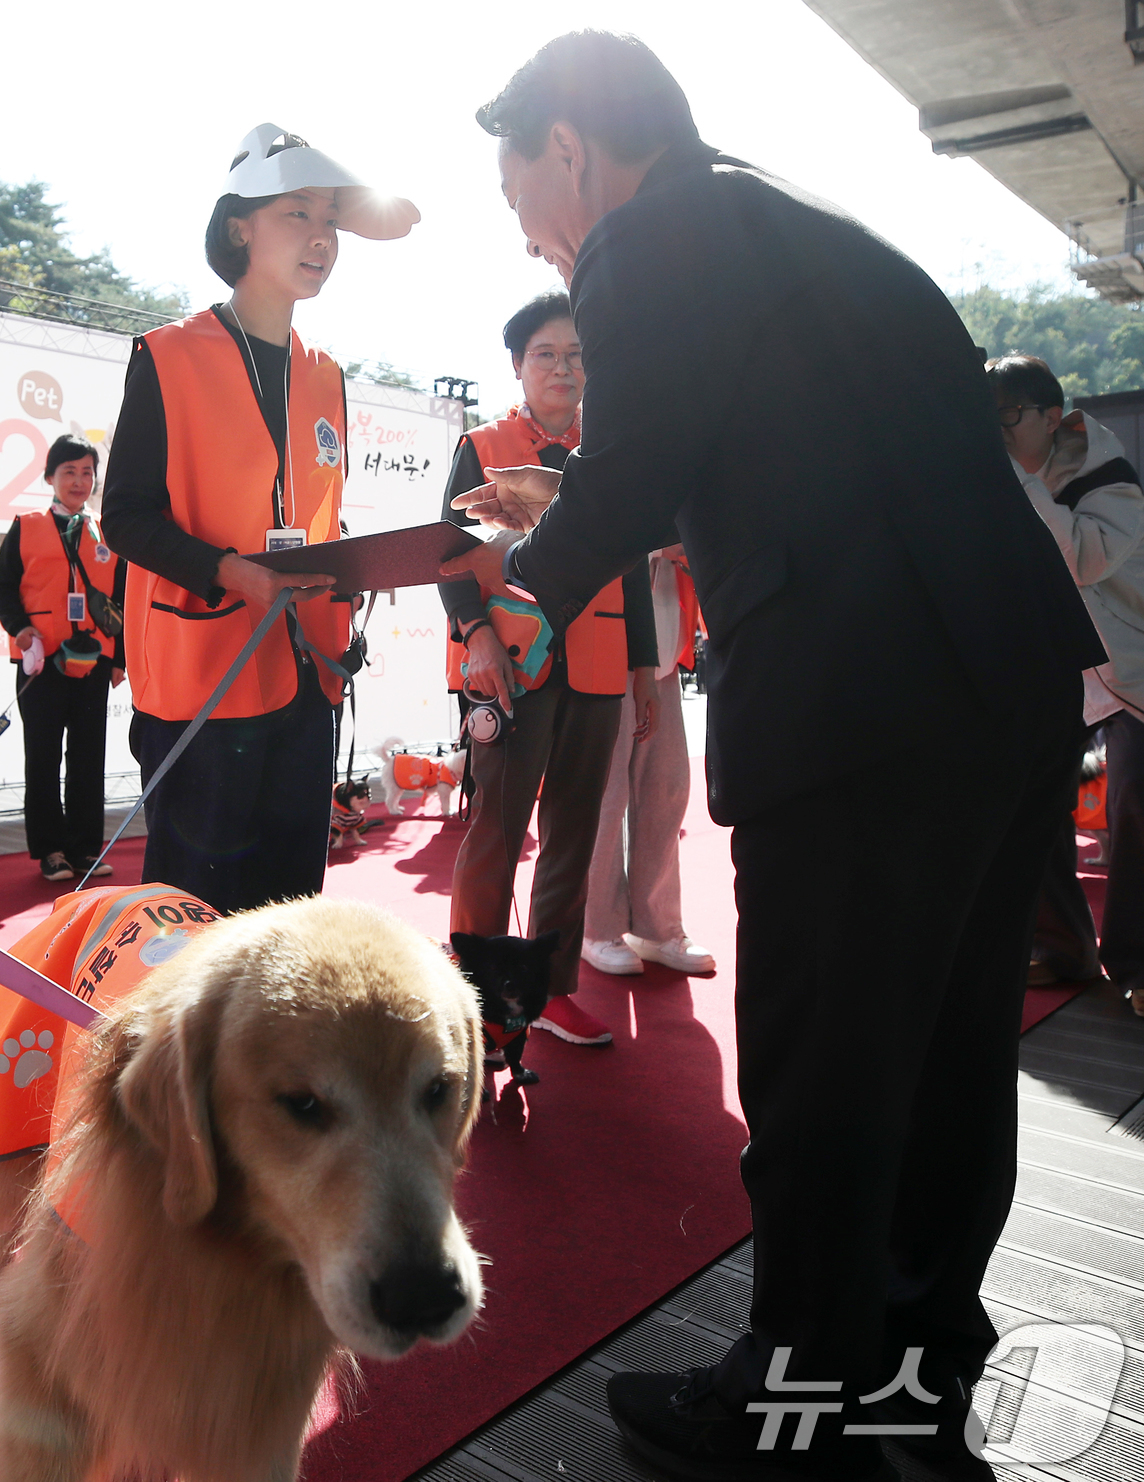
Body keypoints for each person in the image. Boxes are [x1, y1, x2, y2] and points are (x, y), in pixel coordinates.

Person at [441, 32, 1105, 1482]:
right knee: (944, 1048)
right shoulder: (795, 224)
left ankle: (788, 1393)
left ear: (572, 146)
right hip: (998, 673)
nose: (539, 236)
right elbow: (770, 456)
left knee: (822, 1063)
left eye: (522, 196)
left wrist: (513, 599)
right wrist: (581, 493)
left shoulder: (649, 232)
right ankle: (920, 1365)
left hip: (862, 698)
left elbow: (636, 477)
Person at [101, 125, 417, 912]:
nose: (321, 238)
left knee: (288, 912)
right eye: (296, 215)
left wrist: (375, 568)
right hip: (203, 679)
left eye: (330, 221)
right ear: (240, 225)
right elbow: (127, 519)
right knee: (193, 916)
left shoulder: (327, 374)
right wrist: (226, 572)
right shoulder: (168, 355)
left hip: (308, 671)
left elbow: (320, 518)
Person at [440, 292, 658, 1047]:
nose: (563, 368)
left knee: (573, 834)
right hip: (511, 663)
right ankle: (469, 995)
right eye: (546, 354)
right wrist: (476, 635)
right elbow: (446, 553)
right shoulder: (484, 440)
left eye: (576, 355)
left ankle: (548, 990)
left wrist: (642, 670)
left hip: (598, 665)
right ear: (517, 365)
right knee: (494, 834)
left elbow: (630, 568)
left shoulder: (611, 451)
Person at [989, 354, 1144, 1018]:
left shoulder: (1102, 467)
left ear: (1053, 418)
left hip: (1129, 664)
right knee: (1030, 802)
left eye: (1009, 420)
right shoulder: (1006, 473)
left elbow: (1084, 557)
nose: (997, 437)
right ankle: (1063, 947)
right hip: (1059, 667)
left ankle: (1137, 962)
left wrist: (1019, 492)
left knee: (1135, 803)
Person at [0, 433, 126, 883]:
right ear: (49, 476)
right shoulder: (26, 525)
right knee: (43, 756)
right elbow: (4, 586)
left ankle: (86, 848)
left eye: (87, 472)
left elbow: (121, 599)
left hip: (93, 660)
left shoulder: (106, 532)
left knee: (89, 756)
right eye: (69, 471)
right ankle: (51, 850)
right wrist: (19, 628)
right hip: (41, 659)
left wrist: (119, 659)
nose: (79, 480)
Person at [582, 542, 716, 977]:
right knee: (607, 793)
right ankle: (595, 926)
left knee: (667, 787)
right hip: (600, 638)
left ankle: (658, 926)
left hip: (663, 641)